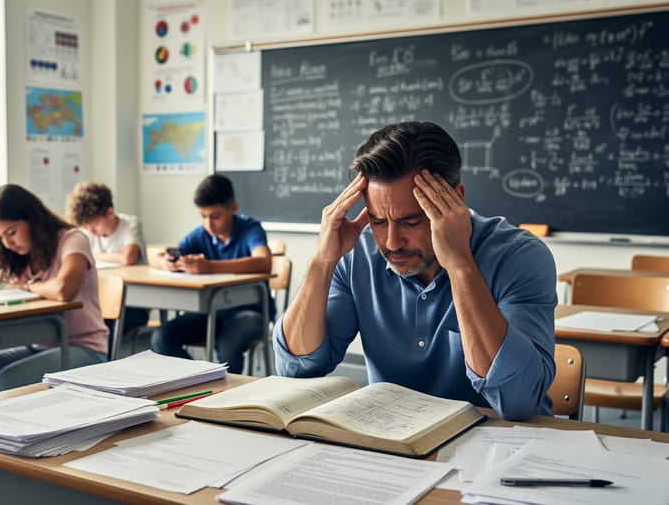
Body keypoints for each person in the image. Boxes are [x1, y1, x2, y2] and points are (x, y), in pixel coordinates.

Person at [273, 121, 557, 420]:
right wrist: (322, 261)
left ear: (455, 199)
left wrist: (460, 265)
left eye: (411, 222)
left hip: (500, 443)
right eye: (379, 221)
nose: (392, 242)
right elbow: (296, 370)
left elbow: (518, 400)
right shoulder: (356, 250)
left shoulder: (519, 256)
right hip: (396, 443)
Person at [0, 183, 108, 398]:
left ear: (33, 220)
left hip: (85, 347)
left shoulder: (72, 240)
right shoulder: (13, 252)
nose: (7, 244)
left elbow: (64, 290)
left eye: (12, 232)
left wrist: (26, 285)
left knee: (8, 382)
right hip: (37, 346)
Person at [150, 174, 275, 374]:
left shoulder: (250, 228)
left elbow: (264, 262)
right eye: (203, 216)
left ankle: (228, 399)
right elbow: (156, 256)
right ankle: (198, 381)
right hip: (211, 313)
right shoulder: (201, 234)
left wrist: (211, 266)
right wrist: (165, 263)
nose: (209, 224)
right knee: (162, 337)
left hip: (251, 313)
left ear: (233, 208)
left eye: (215, 216)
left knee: (227, 345)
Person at [65, 181, 150, 333]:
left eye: (95, 223)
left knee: (100, 323)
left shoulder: (130, 224)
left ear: (110, 212)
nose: (91, 230)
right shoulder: (88, 232)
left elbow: (128, 258)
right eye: (87, 225)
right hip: (100, 300)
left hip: (133, 304)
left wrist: (93, 255)